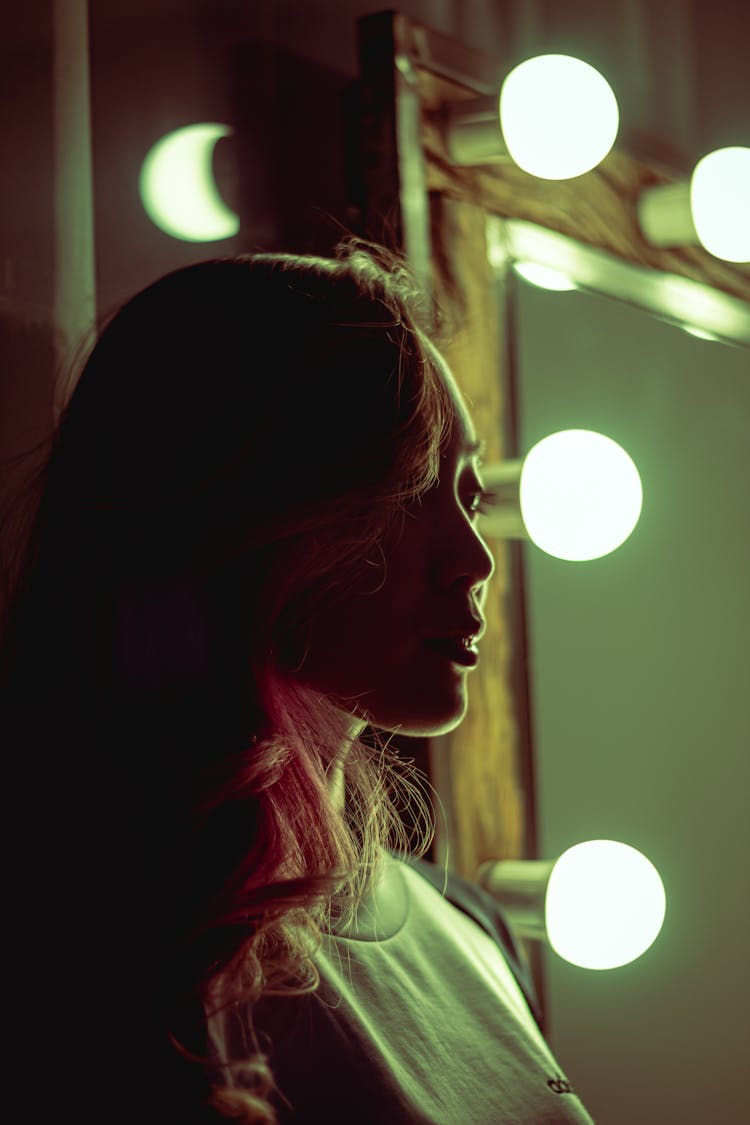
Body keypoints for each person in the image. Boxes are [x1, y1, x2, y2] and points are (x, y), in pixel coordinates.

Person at [0, 238, 594, 1123]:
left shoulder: (472, 925)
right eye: (407, 489)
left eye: (469, 497)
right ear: (252, 513)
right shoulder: (95, 952)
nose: (473, 561)